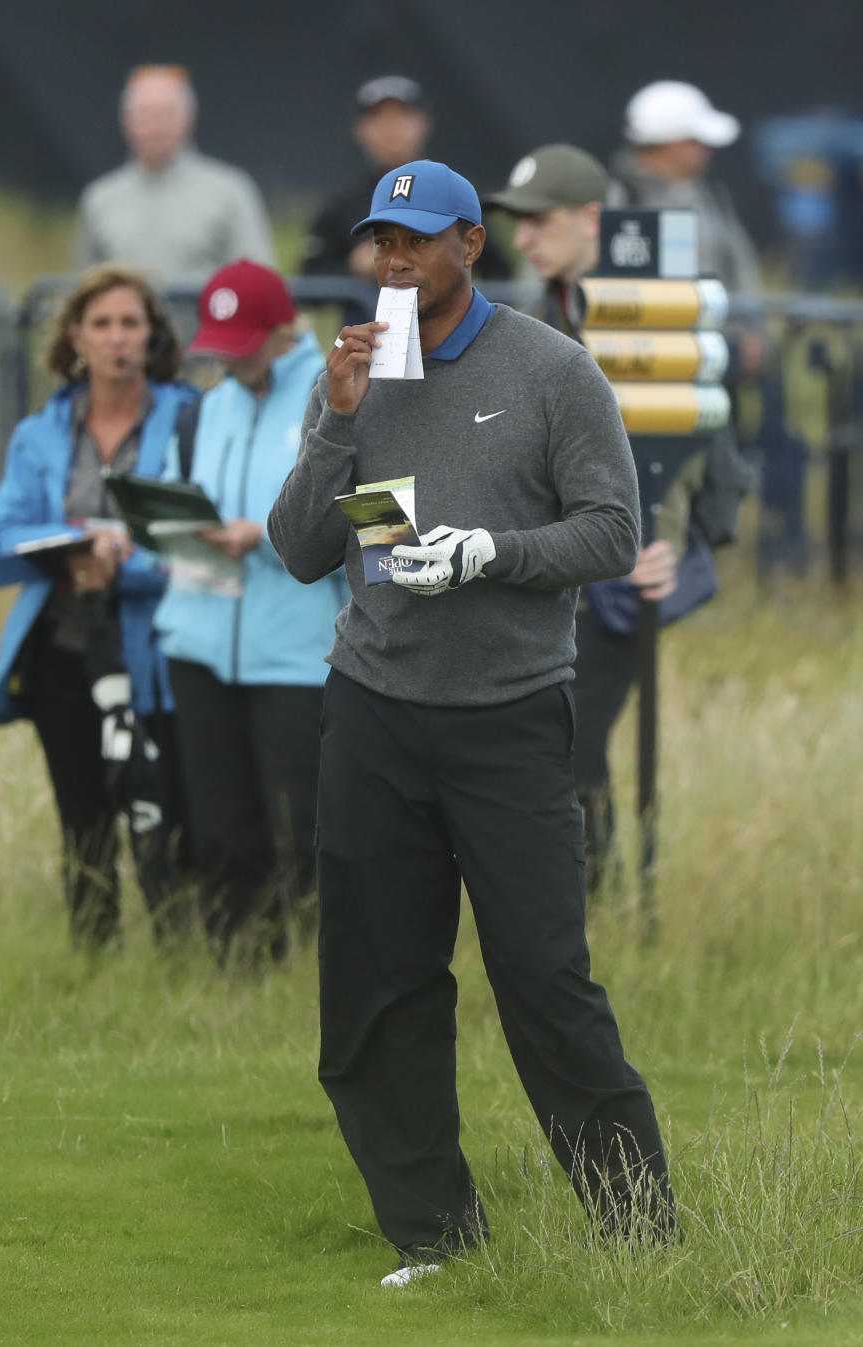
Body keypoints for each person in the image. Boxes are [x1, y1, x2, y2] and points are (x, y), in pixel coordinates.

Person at [269, 159, 677, 1286]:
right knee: (380, 983)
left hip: (506, 721)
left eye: (415, 243)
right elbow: (302, 548)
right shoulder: (352, 376)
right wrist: (341, 423)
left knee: (545, 980)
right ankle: (434, 1235)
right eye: (380, 245)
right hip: (375, 713)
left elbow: (606, 534)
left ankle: (642, 1231)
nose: (393, 264)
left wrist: (495, 554)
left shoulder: (554, 372)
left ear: (470, 247)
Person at [486, 144, 708, 892]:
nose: (522, 239)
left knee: (569, 737)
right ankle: (596, 893)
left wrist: (667, 540)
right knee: (564, 736)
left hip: (620, 569)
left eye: (538, 221)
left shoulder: (646, 314)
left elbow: (687, 438)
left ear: (591, 218)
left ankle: (599, 897)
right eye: (516, 223)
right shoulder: (542, 310)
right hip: (556, 565)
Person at [0, 265, 198, 947]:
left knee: (167, 810)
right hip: (64, 650)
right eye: (100, 324)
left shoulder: (187, 418)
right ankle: (93, 962)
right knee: (84, 818)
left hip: (157, 647)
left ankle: (182, 959)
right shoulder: (40, 432)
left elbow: (198, 534)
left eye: (131, 323)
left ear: (153, 335)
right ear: (75, 337)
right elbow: (1, 527)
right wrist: (77, 545)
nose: (116, 339)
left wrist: (127, 557)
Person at [154, 260, 345, 961]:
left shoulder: (338, 401)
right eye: (219, 345)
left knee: (301, 831)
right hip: (200, 648)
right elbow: (176, 495)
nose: (228, 361)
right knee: (221, 830)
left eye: (243, 344)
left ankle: (318, 972)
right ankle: (235, 969)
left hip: (299, 654)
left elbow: (371, 522)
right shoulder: (201, 411)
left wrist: (261, 538)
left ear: (284, 331)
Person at [301, 75, 511, 287]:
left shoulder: (455, 194)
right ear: (360, 130)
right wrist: (353, 266)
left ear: (423, 123)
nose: (392, 128)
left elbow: (500, 273)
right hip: (370, 317)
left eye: (402, 116)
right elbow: (308, 280)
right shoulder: (341, 207)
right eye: (379, 118)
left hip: (442, 316)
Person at [74, 66, 275, 280]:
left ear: (188, 119)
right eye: (145, 114)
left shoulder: (230, 192)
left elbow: (257, 282)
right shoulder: (100, 199)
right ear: (127, 121)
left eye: (167, 113)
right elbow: (85, 286)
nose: (156, 126)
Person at [607, 81, 761, 297]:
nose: (706, 151)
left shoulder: (710, 195)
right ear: (671, 143)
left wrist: (750, 322)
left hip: (719, 326)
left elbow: (740, 264)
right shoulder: (616, 197)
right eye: (696, 141)